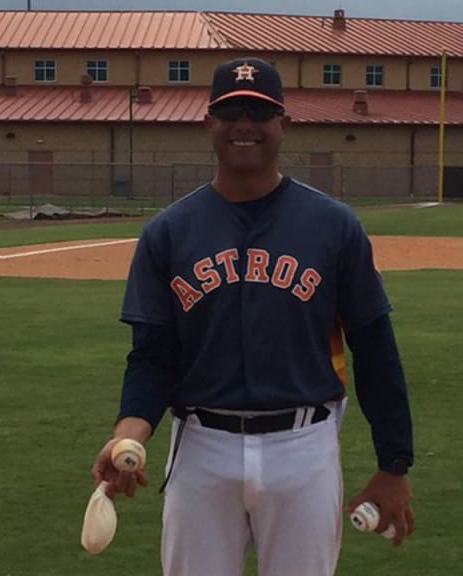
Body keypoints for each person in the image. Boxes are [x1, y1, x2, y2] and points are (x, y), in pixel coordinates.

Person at [91, 56, 415, 576]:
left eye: (259, 113)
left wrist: (393, 465)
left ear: (284, 125)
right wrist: (129, 435)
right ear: (209, 125)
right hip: (200, 447)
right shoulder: (169, 233)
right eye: (231, 112)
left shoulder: (333, 227)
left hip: (302, 446)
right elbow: (152, 356)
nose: (244, 124)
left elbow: (375, 347)